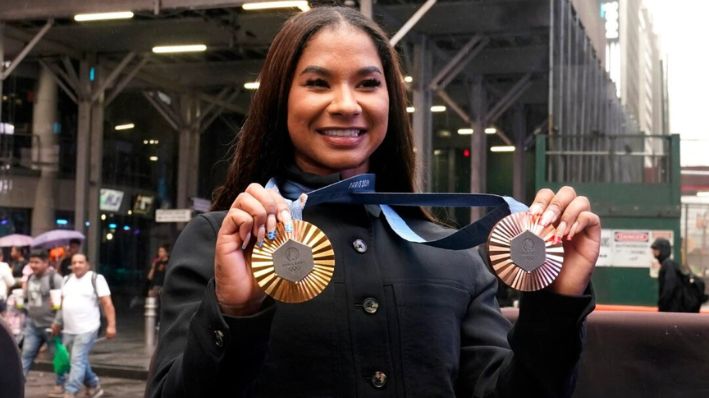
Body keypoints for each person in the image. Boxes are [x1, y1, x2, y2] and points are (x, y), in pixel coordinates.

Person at [146, 6, 601, 397]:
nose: (346, 104)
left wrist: (557, 302)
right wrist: (235, 313)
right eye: (318, 83)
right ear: (280, 100)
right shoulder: (222, 243)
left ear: (390, 100)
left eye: (367, 83)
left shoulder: (457, 259)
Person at [51, 253, 116, 398]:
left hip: (88, 328)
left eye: (80, 262)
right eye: (74, 263)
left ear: (87, 264)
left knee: (77, 360)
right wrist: (57, 322)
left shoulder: (96, 279)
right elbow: (61, 304)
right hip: (69, 329)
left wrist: (111, 325)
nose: (77, 265)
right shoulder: (67, 279)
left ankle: (70, 391)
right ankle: (94, 385)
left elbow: (107, 303)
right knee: (76, 359)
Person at [19, 249, 64, 396]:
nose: (33, 265)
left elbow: (63, 302)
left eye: (37, 262)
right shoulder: (31, 277)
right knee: (26, 354)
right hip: (33, 324)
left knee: (56, 356)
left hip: (51, 325)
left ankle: (60, 384)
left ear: (46, 263)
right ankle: (18, 381)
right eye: (31, 262)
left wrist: (58, 321)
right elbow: (30, 299)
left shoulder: (55, 278)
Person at [652, 237, 687, 312]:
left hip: (672, 310)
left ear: (663, 250)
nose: (653, 252)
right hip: (673, 309)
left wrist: (662, 305)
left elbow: (669, 287)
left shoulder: (668, 265)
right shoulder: (669, 264)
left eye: (656, 249)